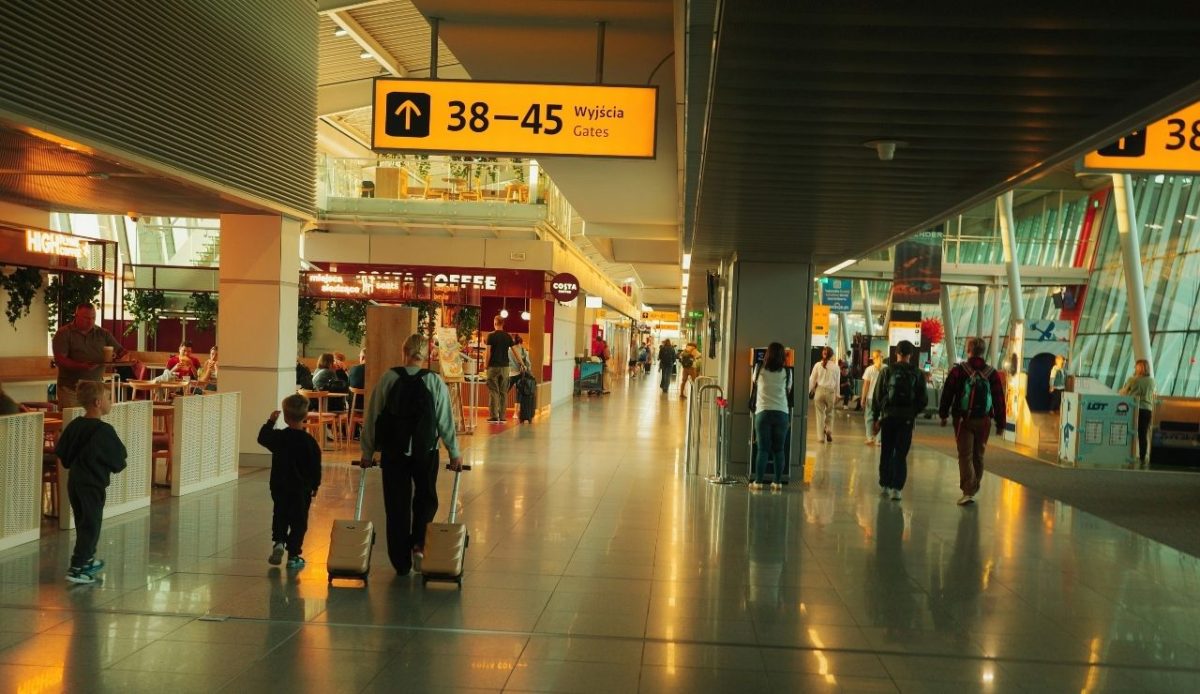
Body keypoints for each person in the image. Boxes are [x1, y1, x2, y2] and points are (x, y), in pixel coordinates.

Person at [361, 333, 463, 575]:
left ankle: (400, 562)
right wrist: (454, 452)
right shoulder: (434, 381)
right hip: (425, 449)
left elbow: (373, 416)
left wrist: (367, 451)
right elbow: (445, 420)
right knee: (426, 498)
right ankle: (418, 544)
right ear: (427, 356)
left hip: (393, 451)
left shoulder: (389, 378)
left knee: (396, 504)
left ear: (404, 352)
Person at [54, 380, 126, 584]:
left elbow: (63, 454)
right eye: (109, 398)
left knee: (83, 521)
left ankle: (87, 559)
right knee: (91, 525)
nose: (111, 402)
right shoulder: (104, 431)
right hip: (92, 485)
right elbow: (119, 461)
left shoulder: (76, 425)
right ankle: (78, 566)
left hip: (75, 482)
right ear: (97, 402)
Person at [938, 337, 1006, 506]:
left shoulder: (959, 371)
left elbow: (948, 392)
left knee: (965, 455)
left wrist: (943, 414)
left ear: (968, 350)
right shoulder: (992, 373)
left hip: (963, 420)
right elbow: (999, 398)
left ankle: (968, 491)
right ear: (983, 351)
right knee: (979, 455)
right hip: (984, 421)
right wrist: (1001, 423)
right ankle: (973, 488)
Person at [257, 393, 322, 570]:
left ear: (285, 417)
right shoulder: (309, 442)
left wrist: (270, 421)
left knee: (280, 514)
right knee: (298, 521)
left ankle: (278, 541)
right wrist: (315, 485)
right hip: (301, 489)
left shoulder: (279, 437)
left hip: (279, 485)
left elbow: (262, 437)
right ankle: (294, 554)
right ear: (306, 415)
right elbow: (315, 466)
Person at [870, 340, 927, 501]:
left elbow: (877, 396)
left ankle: (885, 485)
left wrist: (876, 418)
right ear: (911, 354)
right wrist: (912, 412)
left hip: (888, 417)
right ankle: (897, 489)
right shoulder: (917, 373)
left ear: (896, 353)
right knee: (900, 454)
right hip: (906, 419)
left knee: (886, 451)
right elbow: (923, 399)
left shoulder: (887, 371)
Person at [52, 303, 126, 408]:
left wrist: (121, 359)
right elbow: (60, 360)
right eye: (86, 318)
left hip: (95, 389)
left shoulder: (103, 333)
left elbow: (121, 352)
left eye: (93, 318)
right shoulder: (64, 333)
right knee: (72, 422)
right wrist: (81, 366)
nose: (90, 321)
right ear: (76, 316)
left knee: (94, 422)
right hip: (70, 389)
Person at [749, 342, 793, 492]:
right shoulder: (787, 372)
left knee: (763, 450)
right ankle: (777, 482)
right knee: (779, 450)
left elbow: (754, 383)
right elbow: (788, 390)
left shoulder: (758, 368)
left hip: (763, 413)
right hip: (782, 414)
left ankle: (759, 482)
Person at [1119, 359, 1156, 467]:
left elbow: (1124, 392)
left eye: (1136, 366)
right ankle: (1143, 457)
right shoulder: (1152, 381)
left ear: (1139, 368)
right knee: (1142, 434)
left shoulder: (1133, 380)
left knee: (1129, 432)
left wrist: (1121, 391)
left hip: (1134, 408)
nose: (1135, 368)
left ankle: (1128, 455)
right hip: (1147, 410)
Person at [485, 316, 515, 423]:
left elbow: (488, 353)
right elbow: (515, 351)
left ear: (495, 323)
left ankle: (494, 416)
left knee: (494, 391)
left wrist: (485, 365)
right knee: (503, 392)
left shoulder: (491, 336)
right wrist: (521, 363)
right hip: (505, 368)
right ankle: (502, 417)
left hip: (493, 367)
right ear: (503, 324)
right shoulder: (508, 336)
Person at [808, 347, 840, 443]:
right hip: (830, 392)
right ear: (832, 355)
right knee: (829, 413)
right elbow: (837, 383)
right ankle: (828, 429)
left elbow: (812, 379)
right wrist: (837, 394)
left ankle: (821, 438)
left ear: (823, 354)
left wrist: (809, 391)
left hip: (819, 391)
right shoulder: (836, 367)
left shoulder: (817, 365)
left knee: (820, 415)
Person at [860, 350, 883, 445]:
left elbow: (866, 385)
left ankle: (869, 438)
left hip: (871, 397)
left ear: (874, 358)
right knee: (881, 418)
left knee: (869, 417)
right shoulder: (886, 369)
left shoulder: (869, 369)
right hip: (882, 398)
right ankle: (879, 440)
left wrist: (862, 398)